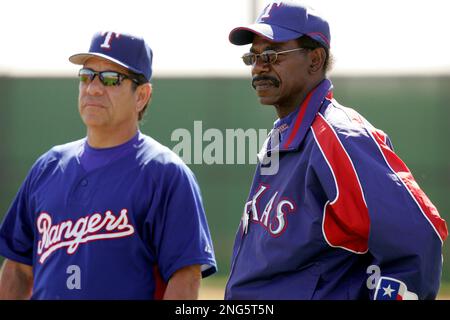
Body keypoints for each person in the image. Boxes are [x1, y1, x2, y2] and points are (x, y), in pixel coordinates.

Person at [224, 1, 448, 300]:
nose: (259, 66)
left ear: (315, 59)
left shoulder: (340, 137)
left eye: (272, 54)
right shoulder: (286, 136)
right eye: (253, 56)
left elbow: (419, 239)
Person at [0, 31, 217, 299]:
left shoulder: (166, 174)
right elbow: (19, 269)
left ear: (141, 96)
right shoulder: (48, 167)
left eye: (111, 79)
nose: (93, 88)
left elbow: (185, 278)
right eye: (86, 76)